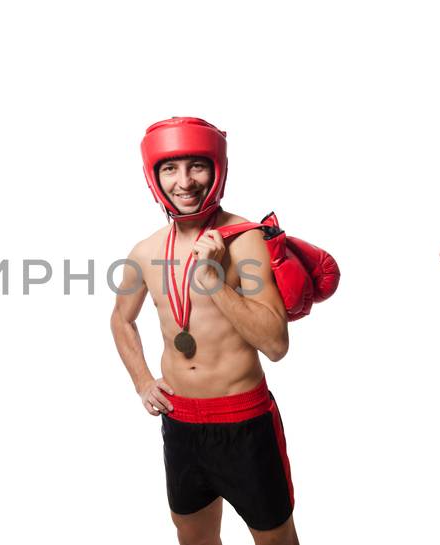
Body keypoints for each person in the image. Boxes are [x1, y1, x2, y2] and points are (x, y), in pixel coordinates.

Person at [110, 117, 298, 545]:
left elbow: (276, 344)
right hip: (181, 423)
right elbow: (121, 319)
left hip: (243, 420)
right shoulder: (144, 251)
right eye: (170, 169)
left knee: (276, 539)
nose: (185, 181)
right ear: (154, 176)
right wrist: (142, 381)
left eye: (197, 166)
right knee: (193, 537)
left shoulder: (245, 239)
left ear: (217, 169)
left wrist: (214, 281)